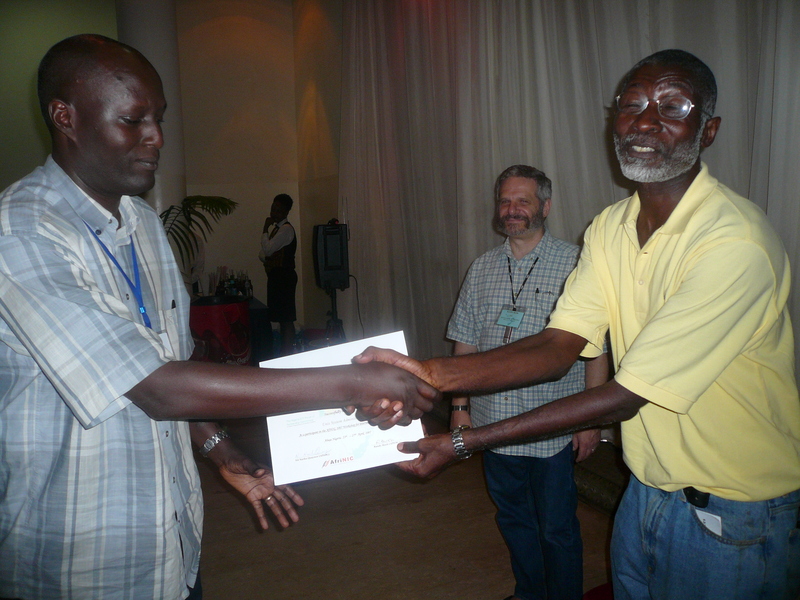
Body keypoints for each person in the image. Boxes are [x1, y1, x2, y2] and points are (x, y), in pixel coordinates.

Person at [0, 34, 437, 600]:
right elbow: (157, 387)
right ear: (66, 117)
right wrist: (354, 381)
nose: (156, 137)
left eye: (159, 119)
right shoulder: (23, 233)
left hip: (171, 544)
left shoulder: (143, 224)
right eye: (133, 120)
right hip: (79, 559)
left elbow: (172, 358)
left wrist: (218, 448)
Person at [359, 49, 800, 600]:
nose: (644, 121)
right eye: (631, 105)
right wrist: (427, 373)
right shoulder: (610, 227)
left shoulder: (732, 242)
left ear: (708, 131)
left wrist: (466, 441)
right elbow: (557, 345)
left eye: (672, 106)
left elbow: (625, 395)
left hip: (733, 508)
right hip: (647, 487)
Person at [448, 164, 607, 600]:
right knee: (514, 520)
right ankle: (530, 593)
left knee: (557, 529)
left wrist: (591, 420)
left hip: (551, 428)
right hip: (492, 426)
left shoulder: (576, 265)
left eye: (523, 200)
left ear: (545, 206)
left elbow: (597, 348)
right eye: (505, 201)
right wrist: (459, 408)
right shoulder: (482, 268)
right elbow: (464, 342)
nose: (512, 209)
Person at [259, 193, 297, 355]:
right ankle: (284, 352)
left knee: (286, 319)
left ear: (286, 212)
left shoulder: (285, 229)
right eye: (273, 209)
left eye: (278, 210)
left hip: (284, 277)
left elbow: (267, 250)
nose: (274, 213)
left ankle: (287, 354)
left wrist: (264, 229)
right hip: (278, 277)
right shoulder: (278, 229)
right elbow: (263, 254)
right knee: (282, 318)